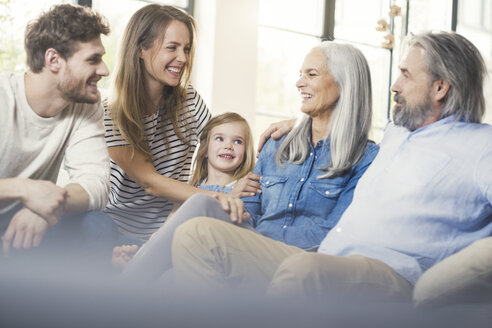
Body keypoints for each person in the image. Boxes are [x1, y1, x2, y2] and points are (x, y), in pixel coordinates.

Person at [171, 31, 492, 303]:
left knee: (304, 272)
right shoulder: (398, 134)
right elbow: (341, 123)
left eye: (406, 75)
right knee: (195, 234)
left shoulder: (481, 147)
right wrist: (301, 124)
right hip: (326, 259)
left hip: (390, 272)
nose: (394, 86)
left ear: (440, 88)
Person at [120, 41, 379, 283]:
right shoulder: (279, 143)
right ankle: (130, 281)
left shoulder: (366, 158)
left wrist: (265, 237)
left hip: (303, 256)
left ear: (344, 83)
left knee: (193, 242)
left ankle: (119, 293)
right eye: (301, 74)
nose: (299, 83)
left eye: (311, 74)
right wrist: (236, 208)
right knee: (200, 206)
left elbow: (335, 232)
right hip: (254, 240)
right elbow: (251, 209)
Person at [103, 4, 246, 243]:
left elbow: (222, 141)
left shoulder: (188, 100)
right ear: (141, 49)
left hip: (172, 226)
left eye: (187, 49)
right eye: (172, 48)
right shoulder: (110, 114)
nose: (183, 58)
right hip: (116, 231)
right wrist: (221, 196)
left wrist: (291, 128)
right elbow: (151, 183)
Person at [0, 4, 117, 265]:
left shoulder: (86, 105)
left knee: (98, 226)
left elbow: (96, 184)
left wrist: (47, 206)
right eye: (93, 59)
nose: (104, 70)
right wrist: (25, 190)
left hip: (24, 222)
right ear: (53, 60)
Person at [112, 112, 256, 270]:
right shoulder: (189, 189)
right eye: (219, 138)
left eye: (237, 141)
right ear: (206, 150)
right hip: (176, 251)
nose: (228, 146)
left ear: (245, 153)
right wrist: (145, 251)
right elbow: (166, 230)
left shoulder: (243, 188)